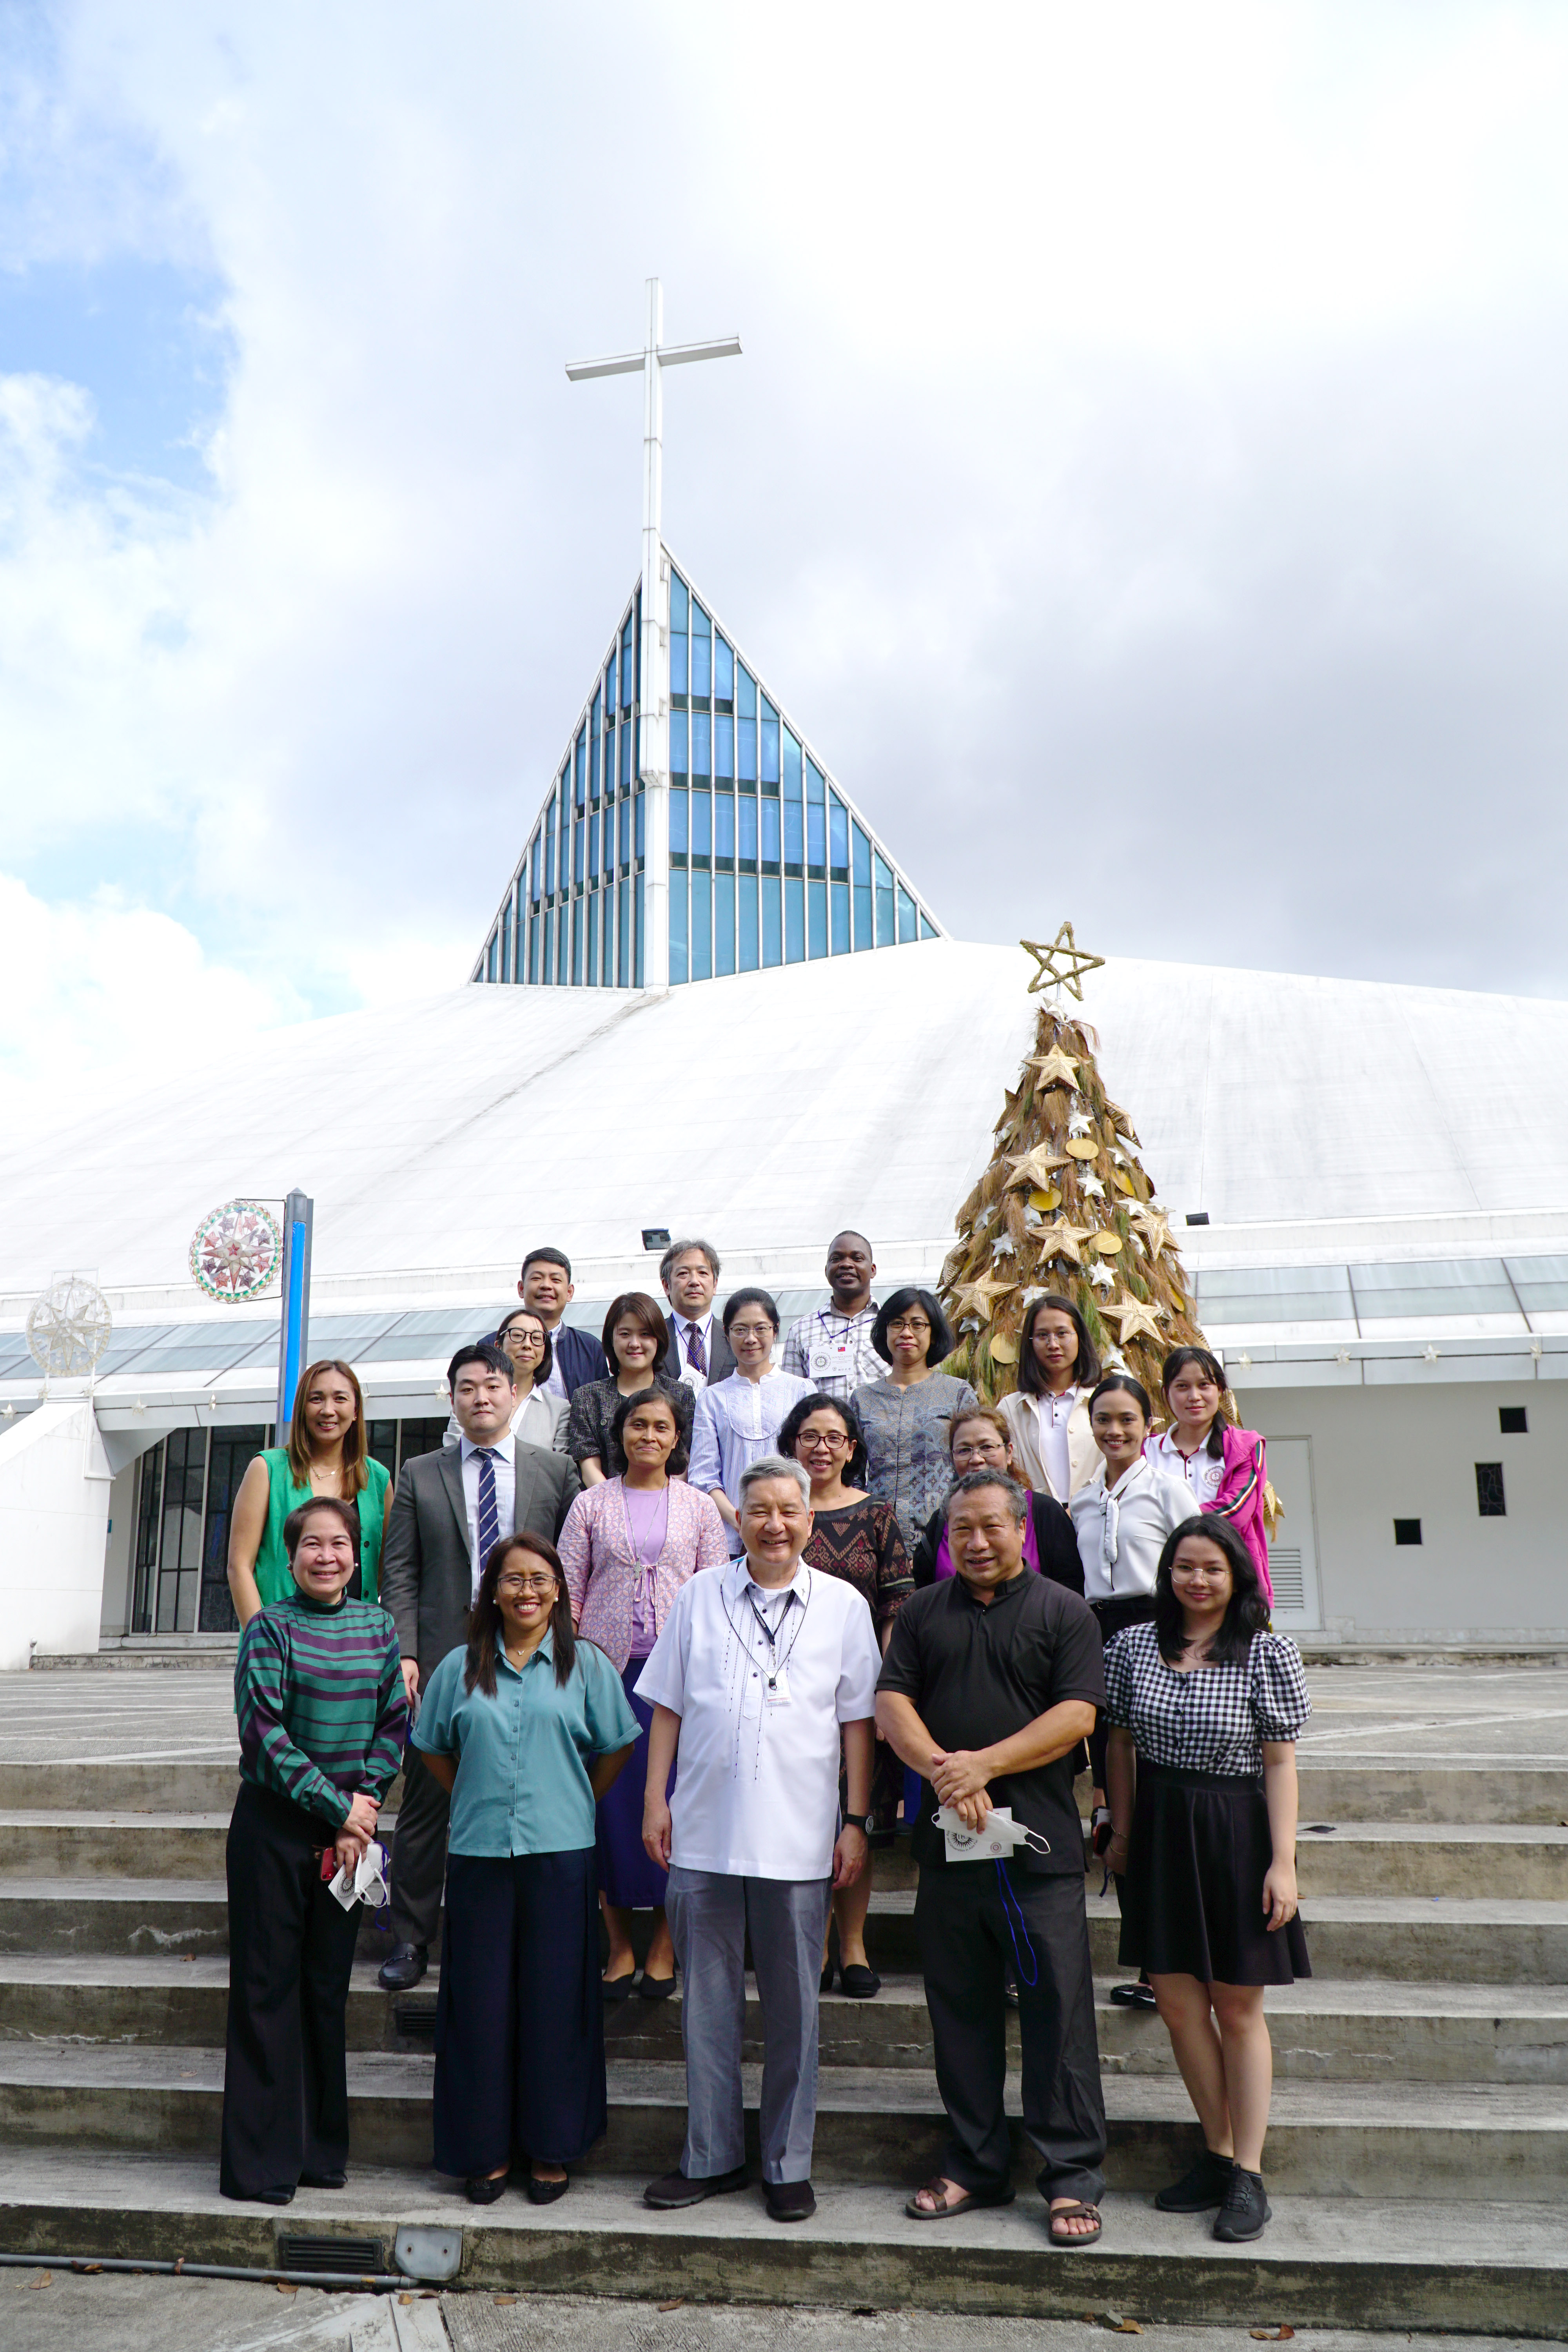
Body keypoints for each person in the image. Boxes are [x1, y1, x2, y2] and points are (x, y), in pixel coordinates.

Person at [637, 1455, 882, 2223]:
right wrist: (654, 1799)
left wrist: (854, 1821)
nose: (773, 1524)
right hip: (704, 1833)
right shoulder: (698, 1598)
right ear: (735, 1521)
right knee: (705, 2007)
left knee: (792, 2011)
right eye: (758, 1511)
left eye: (788, 1510)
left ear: (809, 1521)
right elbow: (668, 1707)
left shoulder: (842, 1606)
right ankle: (708, 2155)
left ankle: (786, 2161)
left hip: (800, 1840)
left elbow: (857, 1724)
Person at [876, 1470, 1108, 2244]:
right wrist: (946, 1768)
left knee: (1057, 2015)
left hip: (1037, 1853)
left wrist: (984, 1766)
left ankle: (1069, 2175)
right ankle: (974, 2162)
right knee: (961, 2011)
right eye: (960, 1531)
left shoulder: (1062, 1611)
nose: (975, 1542)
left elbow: (1076, 1716)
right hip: (949, 1851)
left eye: (990, 1527)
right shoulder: (920, 1614)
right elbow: (890, 1705)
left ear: (1020, 1529)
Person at [412, 1530, 639, 2205]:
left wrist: (574, 1796)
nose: (528, 1592)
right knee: (479, 2009)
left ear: (560, 1589)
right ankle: (481, 2153)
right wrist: (474, 1793)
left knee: (554, 2006)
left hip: (561, 1854)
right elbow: (432, 1747)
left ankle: (551, 2148)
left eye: (541, 1579)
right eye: (513, 1579)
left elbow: (616, 1746)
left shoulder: (586, 1665)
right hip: (480, 1853)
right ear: (493, 1591)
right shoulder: (459, 1666)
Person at [1104, 1514, 1310, 2243]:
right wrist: (1122, 1831)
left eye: (1212, 1569)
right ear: (1168, 1576)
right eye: (1184, 1567)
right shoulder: (1132, 1646)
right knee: (1180, 2006)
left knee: (1238, 2007)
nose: (1197, 1580)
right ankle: (1217, 2155)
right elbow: (1120, 1744)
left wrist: (1282, 1863)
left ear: (1237, 1577)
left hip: (1235, 1832)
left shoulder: (1266, 1652)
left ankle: (1249, 2173)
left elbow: (1280, 1761)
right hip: (1160, 1829)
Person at [377, 1342, 581, 1993]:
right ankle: (410, 1939)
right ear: (454, 1399)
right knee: (427, 1803)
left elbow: (572, 1570)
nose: (482, 1398)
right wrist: (407, 1652)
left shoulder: (554, 1471)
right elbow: (400, 1570)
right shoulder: (419, 1472)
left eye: (493, 1386)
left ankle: (519, 1935)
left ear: (516, 1394)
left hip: (529, 1659)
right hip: (443, 1661)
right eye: (467, 1388)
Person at [221, 1497, 407, 2204]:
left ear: (357, 1556)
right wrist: (341, 1810)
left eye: (340, 1544)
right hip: (276, 1828)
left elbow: (392, 1721)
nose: (327, 1557)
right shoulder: (269, 1628)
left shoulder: (379, 1626)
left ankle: (320, 2153)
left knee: (327, 1991)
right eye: (311, 1546)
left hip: (347, 1835)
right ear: (291, 1556)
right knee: (269, 1991)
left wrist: (363, 1804)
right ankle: (261, 2164)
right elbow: (263, 1734)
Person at [558, 1388, 728, 1998]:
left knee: (675, 1806)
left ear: (677, 1438)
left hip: (681, 1680)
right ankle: (620, 1947)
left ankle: (664, 1943)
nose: (649, 1436)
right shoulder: (589, 1505)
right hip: (607, 1676)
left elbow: (715, 1591)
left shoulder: (699, 1508)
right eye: (637, 1425)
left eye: (661, 1427)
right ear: (621, 1433)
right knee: (610, 1810)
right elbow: (567, 1591)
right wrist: (571, 1661)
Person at [780, 1390, 913, 1998]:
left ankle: (853, 1945)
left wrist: (887, 1694)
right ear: (791, 1445)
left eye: (834, 1437)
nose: (822, 1447)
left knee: (854, 1822)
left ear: (852, 1448)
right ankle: (812, 1945)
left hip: (858, 1692)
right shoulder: (780, 1512)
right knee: (804, 1822)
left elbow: (896, 1607)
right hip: (790, 1693)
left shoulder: (879, 1515)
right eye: (810, 1436)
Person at [1071, 1373, 1192, 2010]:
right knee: (1117, 1803)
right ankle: (1147, 1960)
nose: (1113, 1431)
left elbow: (1203, 1561)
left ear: (1149, 1425)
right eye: (1103, 1420)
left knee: (1157, 1799)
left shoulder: (1170, 1492)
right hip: (1100, 1635)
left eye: (1126, 1419)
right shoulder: (1083, 1501)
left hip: (1158, 1633)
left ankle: (1165, 1964)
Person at [227, 1360, 392, 1627]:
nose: (328, 1410)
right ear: (302, 1409)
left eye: (340, 1399)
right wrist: (262, 1641)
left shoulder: (378, 1480)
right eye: (316, 1399)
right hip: (281, 1643)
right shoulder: (267, 1470)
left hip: (356, 1647)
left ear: (355, 1410)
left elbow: (386, 1571)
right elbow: (239, 1566)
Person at [852, 1287, 980, 1554]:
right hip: (875, 1537)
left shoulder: (957, 1393)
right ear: (884, 1332)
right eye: (896, 1324)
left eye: (918, 1324)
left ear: (933, 1334)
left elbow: (975, 1465)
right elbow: (853, 1474)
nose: (906, 1333)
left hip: (943, 1537)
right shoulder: (863, 1398)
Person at [688, 1289, 813, 1555]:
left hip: (791, 1536)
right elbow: (703, 1477)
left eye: (761, 1329)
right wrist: (742, 1522)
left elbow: (812, 1466)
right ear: (727, 1333)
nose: (751, 1339)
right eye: (740, 1330)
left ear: (776, 1330)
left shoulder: (802, 1391)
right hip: (729, 1541)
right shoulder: (712, 1398)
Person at [911, 1406, 1083, 1594]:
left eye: (987, 1447)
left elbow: (1070, 1586)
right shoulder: (942, 1520)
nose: (976, 1459)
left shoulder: (1044, 1511)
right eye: (964, 1450)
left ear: (1009, 1452)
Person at [1152, 1348, 1275, 1607]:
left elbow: (1237, 1511)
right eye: (1182, 1386)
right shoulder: (1147, 1450)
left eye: (1204, 1385)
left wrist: (1167, 1520)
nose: (1194, 1396)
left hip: (1233, 1588)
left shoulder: (1247, 1446)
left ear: (1220, 1390)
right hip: (1162, 1585)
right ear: (1166, 1394)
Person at [566, 1292, 694, 1486]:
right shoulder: (587, 1397)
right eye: (625, 1334)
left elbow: (683, 1463)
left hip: (668, 1506)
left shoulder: (681, 1394)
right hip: (606, 1508)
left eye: (645, 1334)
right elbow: (589, 1467)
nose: (635, 1344)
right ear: (611, 1339)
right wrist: (617, 1507)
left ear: (659, 1339)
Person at [999, 1295, 1100, 1506]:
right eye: (1042, 1335)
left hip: (1097, 1514)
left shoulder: (1102, 1401)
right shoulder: (1010, 1408)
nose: (1053, 1344)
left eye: (1062, 1334)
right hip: (1034, 1520)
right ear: (1031, 1343)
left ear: (1079, 1337)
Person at [443, 1307, 570, 1455]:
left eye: (536, 1338)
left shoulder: (559, 1410)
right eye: (517, 1335)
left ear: (544, 1353)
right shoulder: (473, 1400)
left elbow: (560, 1469)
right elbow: (451, 1455)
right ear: (498, 1346)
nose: (527, 1345)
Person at [781, 1230, 884, 1399]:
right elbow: (791, 1399)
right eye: (837, 1259)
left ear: (873, 1270)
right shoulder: (800, 1330)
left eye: (857, 1258)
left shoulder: (892, 1325)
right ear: (827, 1270)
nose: (846, 1264)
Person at [515, 1246, 610, 1402]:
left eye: (556, 1280)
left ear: (569, 1292)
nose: (546, 1285)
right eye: (537, 1278)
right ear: (521, 1289)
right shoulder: (493, 1344)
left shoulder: (591, 1349)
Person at [660, 1238, 735, 1389]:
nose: (694, 1281)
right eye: (683, 1274)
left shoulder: (735, 1337)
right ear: (667, 1286)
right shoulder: (654, 1337)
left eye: (702, 1273)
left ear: (715, 1285)